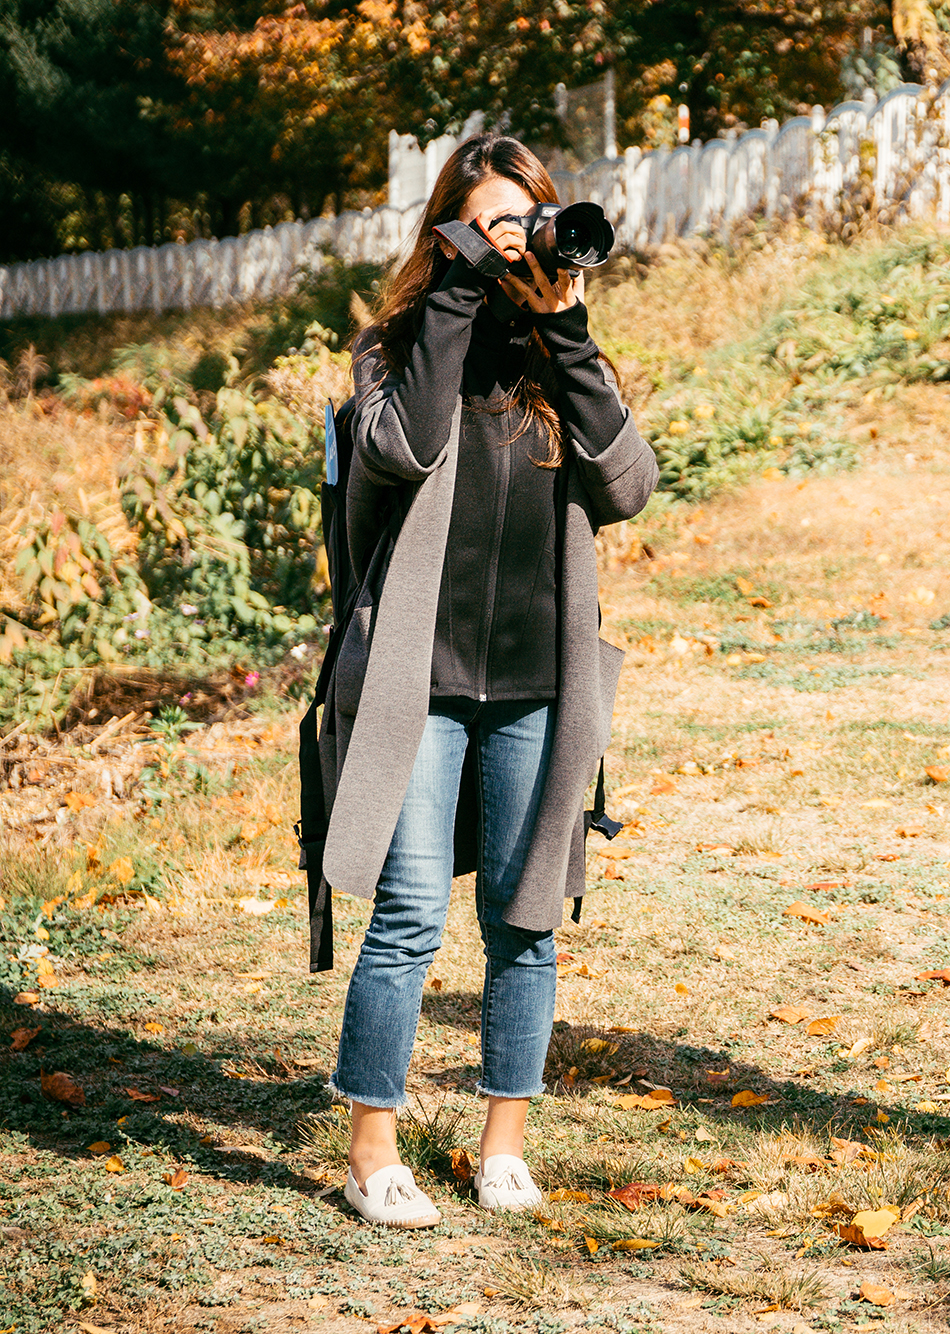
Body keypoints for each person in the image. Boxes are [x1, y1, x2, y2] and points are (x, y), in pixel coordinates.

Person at [315, 134, 658, 1228]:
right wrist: (458, 298)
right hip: (420, 678)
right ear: (451, 229)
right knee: (410, 913)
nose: (524, 239)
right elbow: (405, 448)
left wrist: (565, 327)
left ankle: (501, 1140)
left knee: (526, 923)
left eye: (534, 218)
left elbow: (631, 484)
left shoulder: (556, 352)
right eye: (498, 222)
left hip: (534, 680)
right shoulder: (396, 345)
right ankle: (372, 1147)